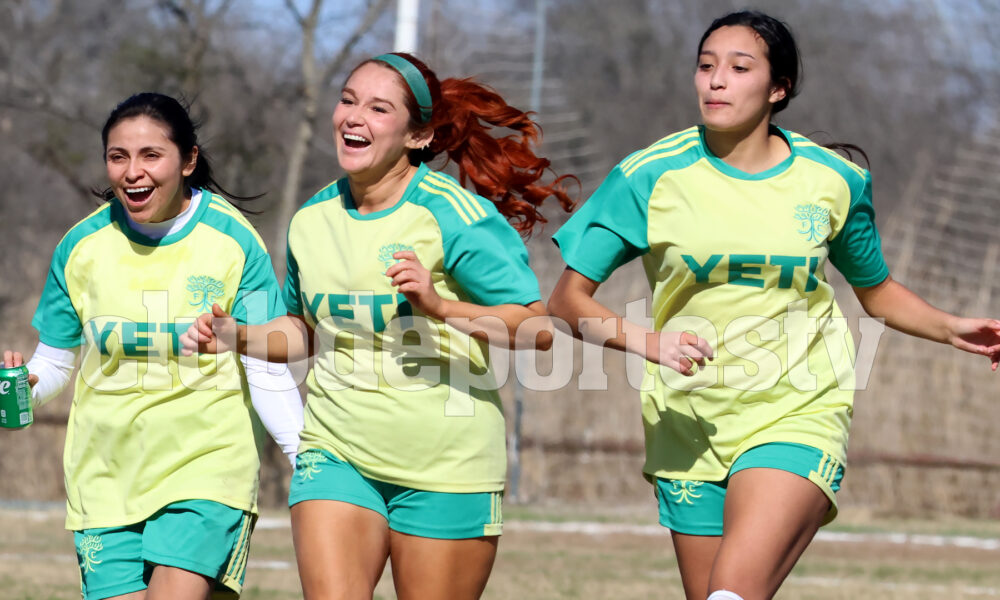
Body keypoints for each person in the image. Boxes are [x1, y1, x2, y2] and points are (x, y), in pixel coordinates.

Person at [546, 10, 1000, 600]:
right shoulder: (649, 176)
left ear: (778, 88)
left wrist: (950, 327)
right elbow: (566, 300)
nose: (716, 81)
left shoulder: (833, 180)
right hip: (689, 422)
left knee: (732, 592)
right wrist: (648, 343)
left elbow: (877, 290)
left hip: (798, 409)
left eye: (739, 68)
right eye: (706, 66)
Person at [181, 52, 575, 599]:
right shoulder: (312, 220)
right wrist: (238, 336)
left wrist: (439, 306)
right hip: (335, 451)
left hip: (446, 464)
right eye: (347, 100)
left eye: (378, 107)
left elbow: (537, 331)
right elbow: (303, 331)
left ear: (418, 136)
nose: (353, 116)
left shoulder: (454, 215)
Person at [2, 92, 303, 600]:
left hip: (207, 471)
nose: (132, 172)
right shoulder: (81, 248)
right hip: (104, 478)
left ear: (188, 160)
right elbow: (53, 366)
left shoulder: (232, 241)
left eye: (151, 155)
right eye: (118, 156)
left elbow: (267, 363)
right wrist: (20, 390)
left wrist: (307, 462)